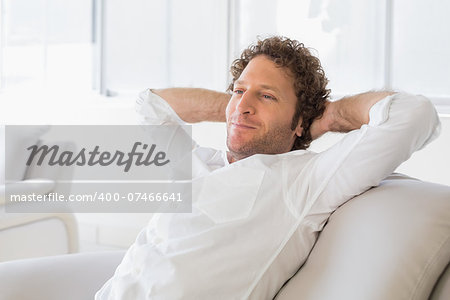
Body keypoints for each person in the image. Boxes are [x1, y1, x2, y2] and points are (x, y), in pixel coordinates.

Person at [95, 36, 440, 299]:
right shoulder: (196, 162)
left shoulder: (303, 181)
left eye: (267, 96)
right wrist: (238, 108)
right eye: (238, 90)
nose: (243, 104)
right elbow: (150, 105)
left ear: (300, 122)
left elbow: (414, 116)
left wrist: (329, 116)